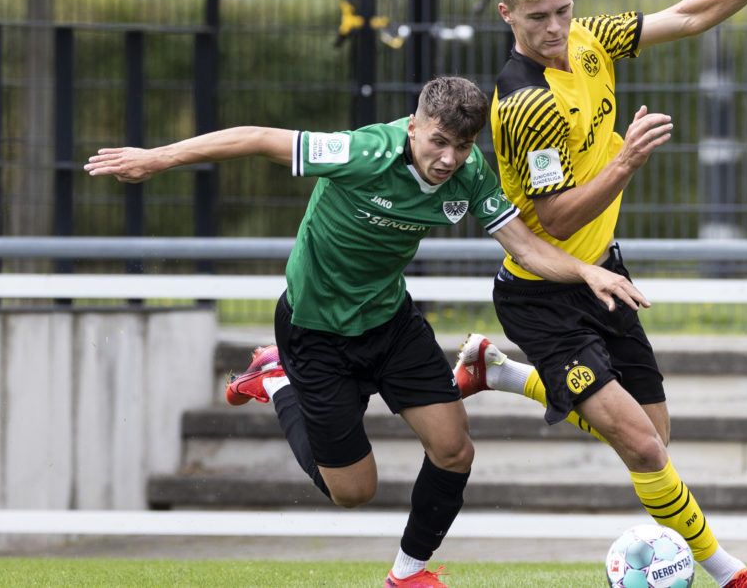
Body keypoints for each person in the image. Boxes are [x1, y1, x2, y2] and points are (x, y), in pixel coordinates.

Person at [84, 76, 649, 588]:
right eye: (437, 142)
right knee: (353, 492)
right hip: (314, 332)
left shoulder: (473, 175)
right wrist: (156, 158)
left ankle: (407, 575)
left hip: (391, 324)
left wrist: (586, 270)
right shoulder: (362, 152)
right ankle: (277, 380)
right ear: (413, 126)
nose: (448, 158)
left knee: (454, 450)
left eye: (460, 145)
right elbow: (255, 136)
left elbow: (526, 246)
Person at [453, 0, 747, 588]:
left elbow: (685, 15)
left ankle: (499, 373)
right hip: (542, 290)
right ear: (506, 15)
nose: (556, 27)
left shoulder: (588, 39)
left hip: (604, 278)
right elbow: (558, 215)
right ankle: (731, 573)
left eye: (563, 9)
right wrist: (625, 160)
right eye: (538, 18)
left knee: (654, 431)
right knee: (644, 447)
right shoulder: (527, 100)